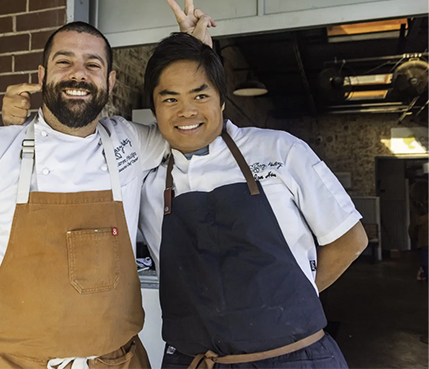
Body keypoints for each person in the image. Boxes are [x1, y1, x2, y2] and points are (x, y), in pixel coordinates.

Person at [0, 0, 216, 369]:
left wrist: (197, 51)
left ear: (111, 80)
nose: (79, 73)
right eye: (64, 62)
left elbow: (195, 128)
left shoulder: (130, 141)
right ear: (41, 75)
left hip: (115, 361)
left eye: (92, 64)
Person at [136, 33, 369, 368]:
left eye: (200, 95)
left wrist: (287, 308)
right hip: (196, 361)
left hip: (293, 358)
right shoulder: (147, 179)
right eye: (170, 99)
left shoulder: (279, 150)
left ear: (221, 101)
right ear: (154, 109)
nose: (186, 111)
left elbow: (350, 239)